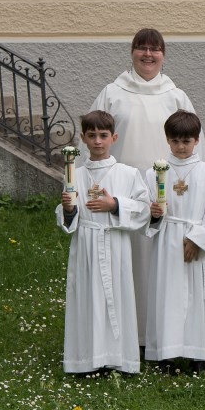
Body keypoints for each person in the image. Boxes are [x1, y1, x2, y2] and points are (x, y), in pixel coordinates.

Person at [87, 28, 205, 347]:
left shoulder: (176, 96)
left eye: (154, 49)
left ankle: (160, 335)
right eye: (141, 48)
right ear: (132, 52)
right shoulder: (112, 93)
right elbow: (96, 141)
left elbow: (196, 148)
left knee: (162, 266)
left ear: (163, 55)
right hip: (122, 194)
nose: (148, 54)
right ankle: (128, 334)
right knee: (127, 262)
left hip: (169, 197)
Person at [58, 110, 150, 374]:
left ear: (114, 138)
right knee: (87, 298)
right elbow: (68, 216)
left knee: (117, 298)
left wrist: (115, 205)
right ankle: (87, 359)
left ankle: (118, 358)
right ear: (83, 139)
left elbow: (144, 209)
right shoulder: (74, 174)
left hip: (115, 243)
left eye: (103, 135)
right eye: (92, 135)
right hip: (86, 245)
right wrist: (68, 209)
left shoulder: (128, 174)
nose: (98, 141)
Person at [143, 110, 205, 374]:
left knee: (196, 296)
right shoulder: (155, 172)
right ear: (168, 140)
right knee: (166, 294)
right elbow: (145, 208)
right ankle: (165, 355)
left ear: (197, 140)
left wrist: (197, 239)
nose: (181, 147)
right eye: (175, 141)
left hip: (195, 240)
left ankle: (196, 354)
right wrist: (153, 213)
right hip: (166, 238)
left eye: (186, 141)